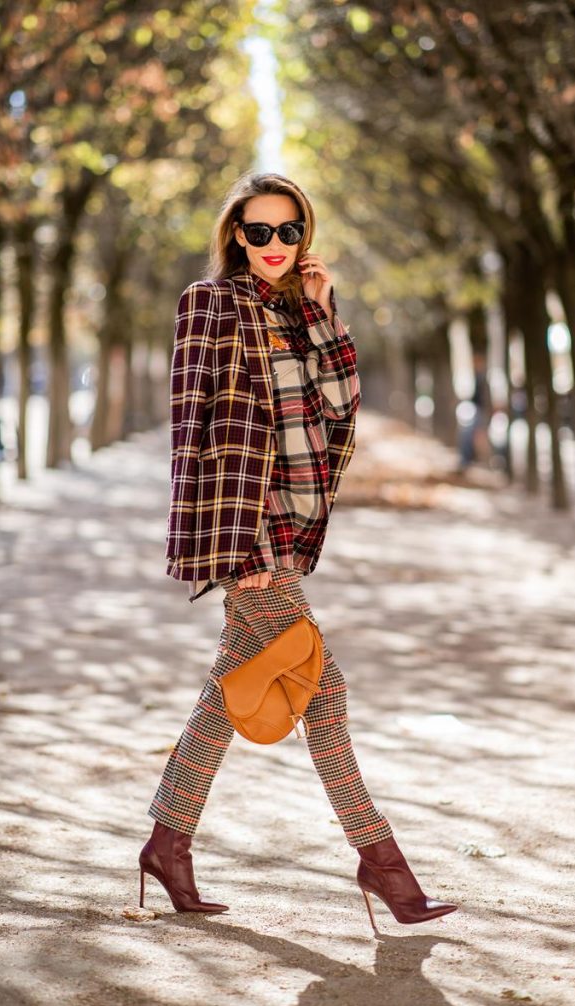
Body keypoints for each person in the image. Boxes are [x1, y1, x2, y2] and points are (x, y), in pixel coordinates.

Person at [140, 171, 457, 929]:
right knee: (325, 688)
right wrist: (228, 551)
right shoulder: (207, 302)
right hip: (247, 524)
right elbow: (193, 429)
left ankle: (166, 842)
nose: (275, 246)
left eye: (289, 232)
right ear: (235, 235)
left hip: (295, 518)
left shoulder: (302, 310)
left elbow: (342, 405)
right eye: (259, 231)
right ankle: (382, 864)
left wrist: (320, 313)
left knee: (230, 690)